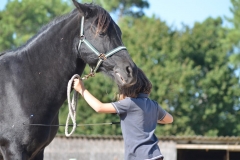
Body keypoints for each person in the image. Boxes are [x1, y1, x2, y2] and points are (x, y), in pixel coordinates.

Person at [73, 68, 173, 160]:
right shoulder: (153, 104)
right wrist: (145, 118)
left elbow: (99, 107)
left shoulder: (129, 103)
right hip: (156, 155)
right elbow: (169, 119)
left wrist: (81, 89)